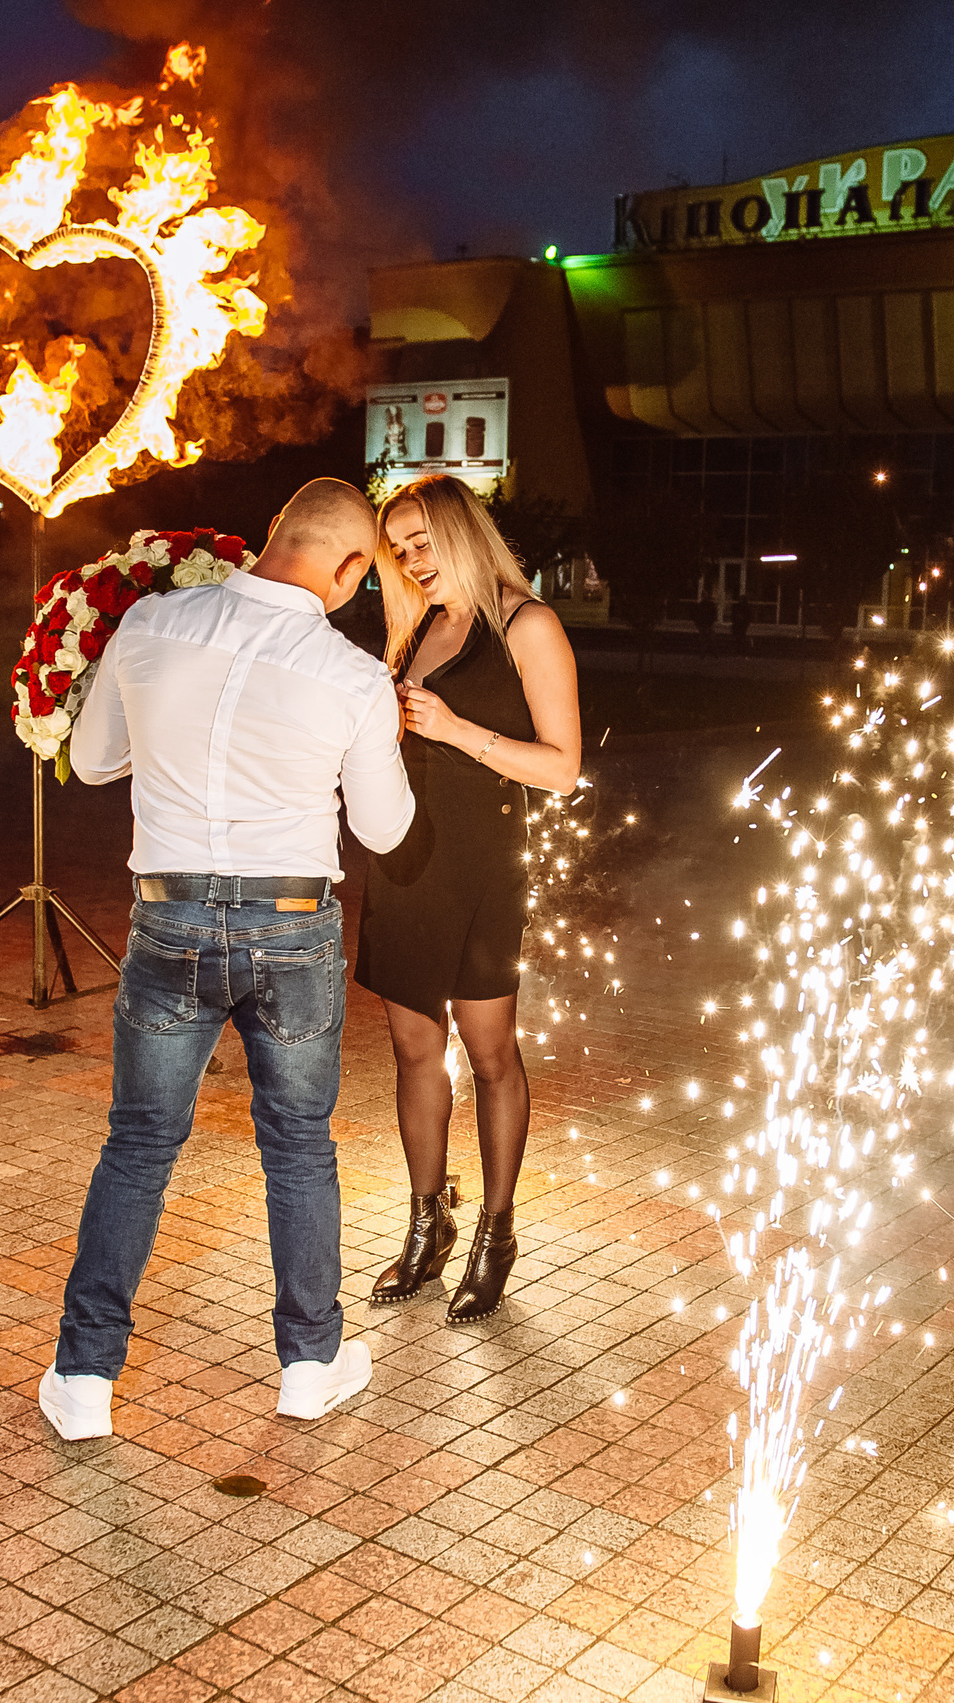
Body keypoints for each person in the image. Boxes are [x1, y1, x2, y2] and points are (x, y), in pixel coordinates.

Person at [39, 479, 414, 1441]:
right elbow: (384, 827)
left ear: (273, 538)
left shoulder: (155, 621)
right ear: (347, 567)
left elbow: (88, 762)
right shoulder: (353, 674)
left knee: (139, 1145)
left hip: (169, 920)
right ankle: (308, 1363)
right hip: (291, 928)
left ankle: (84, 1381)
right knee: (297, 1145)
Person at [355, 475, 582, 1322]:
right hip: (406, 861)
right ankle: (427, 1226)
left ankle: (496, 1229)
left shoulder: (528, 624)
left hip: (485, 864)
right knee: (415, 1048)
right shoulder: (411, 630)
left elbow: (562, 767)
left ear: (462, 533)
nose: (412, 560)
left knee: (490, 1051)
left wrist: (454, 729)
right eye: (398, 548)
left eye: (423, 541)